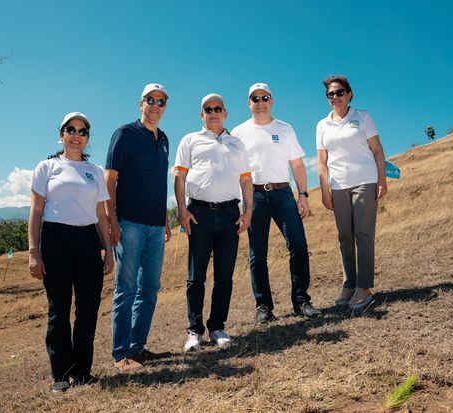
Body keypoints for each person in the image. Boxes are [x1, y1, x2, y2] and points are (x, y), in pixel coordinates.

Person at [28, 112, 114, 393]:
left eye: (83, 131)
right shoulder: (47, 167)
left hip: (89, 241)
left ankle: (83, 371)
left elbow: (101, 214)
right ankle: (61, 374)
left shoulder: (95, 172)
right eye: (71, 129)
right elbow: (36, 211)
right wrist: (33, 251)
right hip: (56, 241)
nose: (77, 135)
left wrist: (109, 248)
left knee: (88, 310)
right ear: (61, 134)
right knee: (59, 310)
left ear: (88, 139)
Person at [231, 83, 321, 323]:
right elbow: (233, 169)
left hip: (283, 194)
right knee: (257, 254)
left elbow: (298, 165)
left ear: (272, 101)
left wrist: (303, 195)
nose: (260, 101)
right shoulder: (238, 133)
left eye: (265, 97)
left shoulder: (285, 129)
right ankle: (263, 307)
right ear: (248, 103)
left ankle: (301, 301)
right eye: (255, 98)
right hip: (254, 197)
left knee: (299, 246)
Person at [174, 93, 253, 352]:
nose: (213, 112)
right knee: (195, 277)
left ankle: (217, 327)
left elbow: (245, 180)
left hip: (230, 214)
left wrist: (248, 210)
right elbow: (180, 178)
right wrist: (182, 210)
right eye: (208, 109)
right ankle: (194, 331)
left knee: (224, 276)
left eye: (218, 108)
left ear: (225, 112)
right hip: (199, 214)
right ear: (202, 115)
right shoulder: (190, 140)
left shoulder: (237, 144)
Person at [105, 83, 172, 373]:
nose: (155, 106)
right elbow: (109, 180)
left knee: (150, 288)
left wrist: (167, 219)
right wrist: (111, 220)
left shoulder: (164, 139)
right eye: (150, 100)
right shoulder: (125, 133)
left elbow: (159, 182)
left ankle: (137, 348)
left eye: (161, 101)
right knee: (127, 289)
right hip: (129, 223)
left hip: (156, 225)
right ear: (140, 103)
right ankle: (121, 356)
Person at [315, 75, 387, 311]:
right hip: (338, 186)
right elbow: (322, 162)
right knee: (344, 236)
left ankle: (364, 288)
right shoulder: (322, 125)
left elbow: (377, 151)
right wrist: (325, 190)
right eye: (330, 94)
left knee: (363, 234)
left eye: (339, 92)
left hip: (364, 181)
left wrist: (381, 179)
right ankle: (349, 284)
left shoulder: (362, 117)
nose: (334, 97)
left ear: (349, 94)